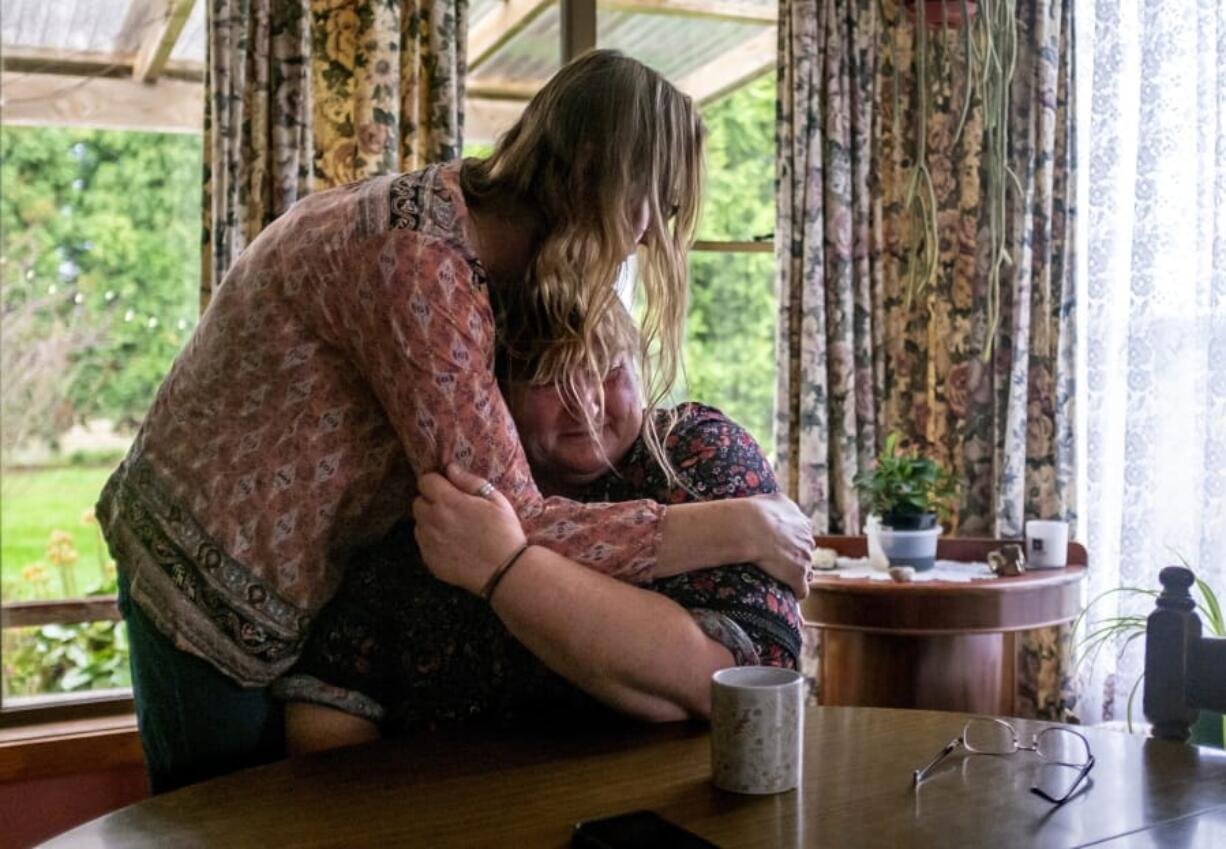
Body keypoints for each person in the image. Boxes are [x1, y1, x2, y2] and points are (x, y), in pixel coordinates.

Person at [96, 49, 814, 793]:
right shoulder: (421, 267)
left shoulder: (464, 238)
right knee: (216, 818)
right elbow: (505, 525)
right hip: (205, 578)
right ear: (593, 168)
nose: (645, 236)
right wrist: (745, 525)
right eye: (651, 204)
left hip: (263, 571)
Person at [277, 307, 805, 751]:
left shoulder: (695, 454)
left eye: (608, 368)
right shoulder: (449, 476)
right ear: (492, 395)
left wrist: (505, 569)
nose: (588, 402)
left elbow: (719, 681)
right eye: (549, 376)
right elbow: (328, 702)